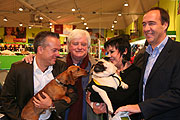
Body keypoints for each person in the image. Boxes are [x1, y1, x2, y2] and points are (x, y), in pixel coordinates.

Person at [115, 7, 180, 120]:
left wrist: (141, 107)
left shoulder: (177, 52)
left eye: (151, 23)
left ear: (165, 25)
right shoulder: (147, 54)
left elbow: (177, 93)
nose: (146, 28)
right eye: (144, 24)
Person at [22, 29, 102, 120]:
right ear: (68, 45)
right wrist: (33, 57)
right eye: (75, 44)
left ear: (88, 47)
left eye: (83, 44)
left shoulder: (97, 67)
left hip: (89, 115)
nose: (79, 47)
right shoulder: (57, 64)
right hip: (60, 115)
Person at [0, 31, 77, 120]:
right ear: (40, 49)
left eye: (58, 50)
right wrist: (21, 118)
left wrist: (52, 105)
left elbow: (73, 94)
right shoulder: (18, 69)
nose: (58, 54)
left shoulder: (61, 67)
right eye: (54, 50)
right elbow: (6, 99)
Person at [86, 36, 141, 120]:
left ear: (125, 51)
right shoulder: (108, 71)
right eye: (107, 52)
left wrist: (96, 94)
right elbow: (91, 89)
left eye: (112, 52)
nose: (109, 56)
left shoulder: (135, 73)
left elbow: (118, 98)